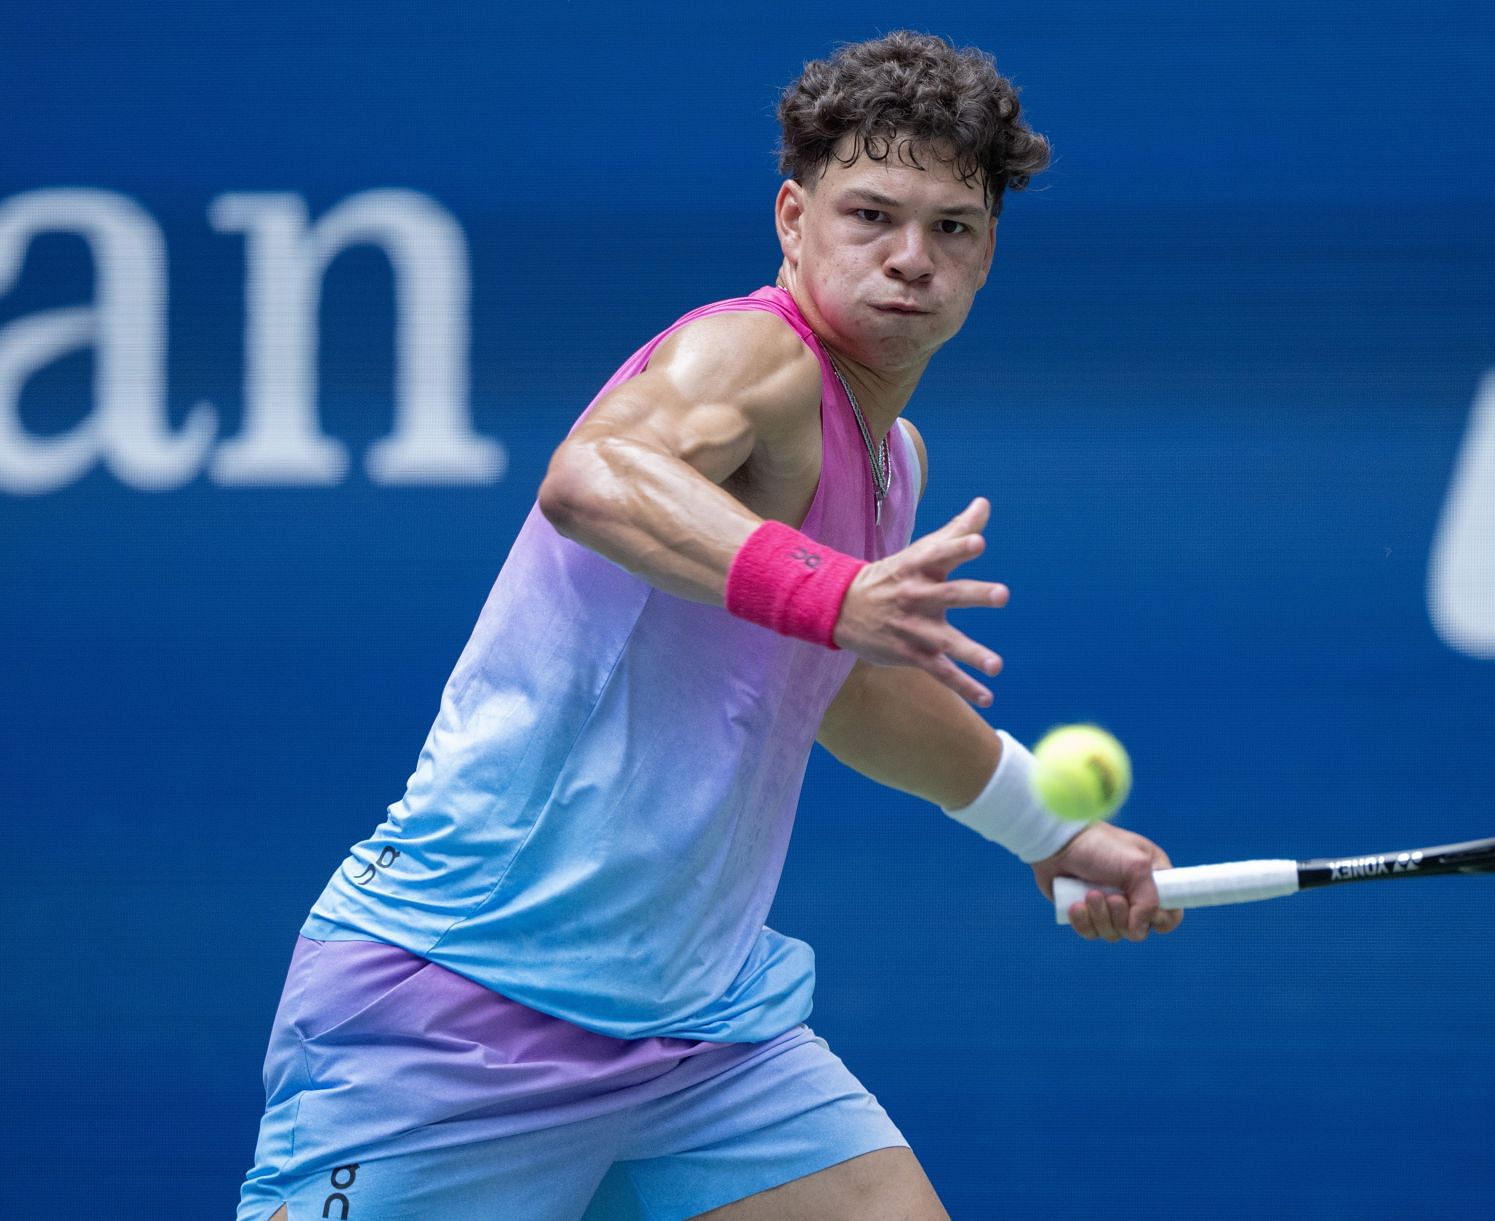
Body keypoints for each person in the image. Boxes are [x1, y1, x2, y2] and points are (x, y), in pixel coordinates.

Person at [238, 30, 1181, 1221]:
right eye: (870, 216)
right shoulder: (753, 357)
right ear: (793, 219)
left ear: (989, 253)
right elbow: (592, 478)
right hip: (469, 997)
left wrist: (1044, 826)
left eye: (952, 227)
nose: (910, 258)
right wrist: (832, 591)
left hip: (700, 1032)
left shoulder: (894, 456)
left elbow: (836, 685)